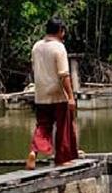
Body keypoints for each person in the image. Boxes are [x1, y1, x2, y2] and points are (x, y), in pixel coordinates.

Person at [27, 17, 78, 170]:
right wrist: (70, 96)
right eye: (63, 31)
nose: (64, 34)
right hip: (57, 94)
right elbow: (64, 74)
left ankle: (33, 152)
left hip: (41, 94)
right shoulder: (59, 48)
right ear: (59, 31)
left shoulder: (36, 46)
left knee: (42, 126)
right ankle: (62, 158)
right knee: (63, 126)